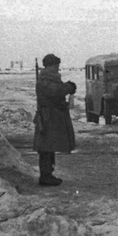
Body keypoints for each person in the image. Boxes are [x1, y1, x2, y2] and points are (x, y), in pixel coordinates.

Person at [33, 54, 76, 186]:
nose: (58, 68)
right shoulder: (45, 80)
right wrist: (68, 87)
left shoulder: (49, 78)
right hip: (47, 118)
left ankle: (48, 174)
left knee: (49, 146)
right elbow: (55, 91)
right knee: (46, 147)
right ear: (50, 66)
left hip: (51, 117)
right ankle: (45, 176)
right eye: (56, 65)